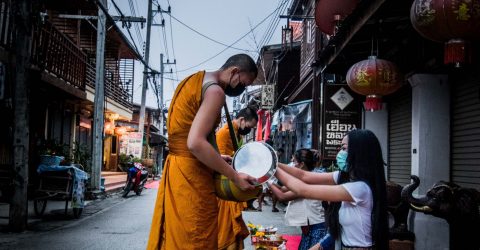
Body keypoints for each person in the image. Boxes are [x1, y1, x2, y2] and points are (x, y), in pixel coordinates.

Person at [147, 54, 258, 250]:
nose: (242, 89)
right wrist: (234, 176)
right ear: (234, 72)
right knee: (194, 237)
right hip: (192, 174)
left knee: (177, 236)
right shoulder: (215, 93)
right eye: (243, 83)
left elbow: (193, 135)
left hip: (176, 167)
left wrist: (216, 157)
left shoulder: (194, 80)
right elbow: (195, 143)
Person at [270, 129, 389, 250]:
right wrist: (274, 163)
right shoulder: (344, 177)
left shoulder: (360, 188)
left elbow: (303, 190)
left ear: (359, 152)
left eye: (344, 148)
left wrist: (270, 166)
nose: (340, 153)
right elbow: (304, 176)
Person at [216, 107, 258, 250]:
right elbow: (218, 163)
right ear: (241, 120)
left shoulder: (236, 134)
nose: (249, 130)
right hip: (225, 184)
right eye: (249, 127)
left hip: (232, 181)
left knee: (233, 228)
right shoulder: (225, 133)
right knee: (226, 228)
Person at [274, 149, 328, 250]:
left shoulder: (309, 181)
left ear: (302, 164)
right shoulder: (304, 179)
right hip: (309, 227)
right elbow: (283, 188)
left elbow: (282, 196)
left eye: (294, 161)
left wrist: (267, 181)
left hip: (316, 227)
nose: (292, 164)